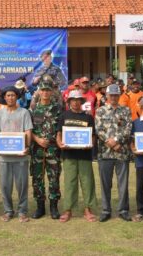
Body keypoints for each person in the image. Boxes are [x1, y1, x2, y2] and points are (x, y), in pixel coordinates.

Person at [0, 86, 32, 223]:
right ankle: (8, 211)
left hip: (20, 156)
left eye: (13, 95)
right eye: (8, 95)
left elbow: (28, 132)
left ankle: (22, 211)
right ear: (4, 97)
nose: (10, 97)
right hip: (4, 157)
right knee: (5, 185)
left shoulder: (24, 112)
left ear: (17, 97)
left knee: (22, 185)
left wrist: (26, 146)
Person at [56, 90, 97, 222]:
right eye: (72, 100)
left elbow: (93, 136)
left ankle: (88, 209)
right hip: (69, 154)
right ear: (69, 102)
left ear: (81, 102)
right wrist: (60, 144)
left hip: (84, 154)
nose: (75, 102)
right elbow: (59, 135)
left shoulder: (88, 117)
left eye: (78, 100)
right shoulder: (64, 116)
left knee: (87, 182)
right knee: (70, 182)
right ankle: (68, 210)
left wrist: (91, 143)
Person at [95, 84, 132, 222]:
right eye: (112, 95)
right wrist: (109, 143)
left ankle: (123, 210)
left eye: (116, 95)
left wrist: (116, 141)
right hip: (105, 153)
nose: (114, 97)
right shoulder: (100, 111)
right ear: (107, 96)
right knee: (105, 183)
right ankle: (106, 210)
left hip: (121, 152)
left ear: (119, 95)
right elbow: (99, 130)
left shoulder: (126, 110)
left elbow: (128, 129)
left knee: (123, 183)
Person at [29, 82, 62, 219]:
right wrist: (37, 140)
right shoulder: (33, 110)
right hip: (37, 150)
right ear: (39, 92)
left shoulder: (58, 109)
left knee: (54, 178)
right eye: (43, 90)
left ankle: (54, 207)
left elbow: (61, 129)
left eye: (48, 90)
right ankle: (40, 207)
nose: (45, 93)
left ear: (51, 92)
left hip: (53, 150)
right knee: (37, 178)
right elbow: (28, 130)